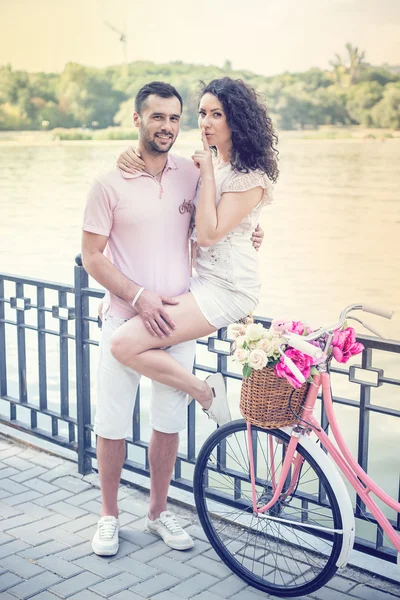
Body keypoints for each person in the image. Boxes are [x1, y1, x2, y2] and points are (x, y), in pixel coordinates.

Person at [81, 80, 265, 557]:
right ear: (137, 120)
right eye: (156, 117)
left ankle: (159, 513)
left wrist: (252, 231)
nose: (167, 126)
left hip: (181, 310)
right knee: (113, 423)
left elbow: (221, 219)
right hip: (127, 316)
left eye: (174, 118)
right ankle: (108, 516)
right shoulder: (108, 182)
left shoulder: (191, 171)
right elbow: (91, 257)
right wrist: (133, 295)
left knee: (167, 424)